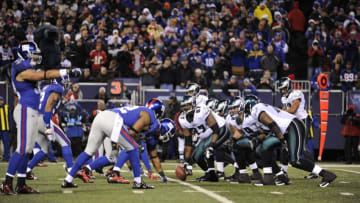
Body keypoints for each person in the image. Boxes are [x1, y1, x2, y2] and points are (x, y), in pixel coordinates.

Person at [1, 41, 81, 195]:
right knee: (23, 148)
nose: (37, 56)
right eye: (35, 53)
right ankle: (7, 183)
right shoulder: (20, 66)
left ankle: (21, 184)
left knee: (27, 149)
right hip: (26, 109)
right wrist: (65, 72)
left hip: (31, 111)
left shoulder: (27, 66)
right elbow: (39, 75)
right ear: (26, 53)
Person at [61, 101, 165, 189]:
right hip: (113, 120)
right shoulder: (150, 116)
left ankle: (68, 180)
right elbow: (132, 132)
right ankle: (138, 182)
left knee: (88, 152)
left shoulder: (141, 109)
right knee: (133, 147)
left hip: (101, 117)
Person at [243, 95, 337, 187]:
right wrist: (257, 140)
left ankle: (326, 174)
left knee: (295, 161)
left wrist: (282, 140)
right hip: (284, 130)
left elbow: (272, 124)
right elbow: (268, 129)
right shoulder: (260, 108)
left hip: (292, 126)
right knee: (264, 148)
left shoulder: (256, 109)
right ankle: (273, 177)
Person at [26, 80, 74, 180]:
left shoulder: (46, 88)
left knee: (45, 149)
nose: (67, 85)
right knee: (66, 142)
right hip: (44, 118)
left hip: (35, 119)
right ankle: (70, 170)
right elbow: (49, 105)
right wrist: (48, 125)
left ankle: (27, 170)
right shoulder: (56, 88)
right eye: (65, 82)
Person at [179, 95, 230, 182]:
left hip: (220, 129)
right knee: (195, 157)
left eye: (188, 104)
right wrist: (186, 162)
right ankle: (210, 174)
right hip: (206, 135)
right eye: (184, 105)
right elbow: (188, 142)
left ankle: (235, 166)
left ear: (194, 104)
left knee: (208, 150)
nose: (186, 107)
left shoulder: (201, 110)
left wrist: (211, 145)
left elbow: (215, 129)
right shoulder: (182, 119)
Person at [278, 77, 317, 179]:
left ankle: (315, 171)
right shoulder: (284, 98)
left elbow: (293, 110)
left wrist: (280, 112)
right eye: (281, 89)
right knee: (285, 145)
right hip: (293, 122)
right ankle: (284, 171)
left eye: (284, 88)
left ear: (289, 87)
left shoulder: (296, 93)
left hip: (302, 121)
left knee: (303, 148)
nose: (282, 91)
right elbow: (285, 110)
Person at [0, 96, 10, 162]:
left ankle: (7, 157)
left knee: (6, 143)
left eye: (1, 100)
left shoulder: (6, 107)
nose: (0, 101)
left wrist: (10, 127)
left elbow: (9, 118)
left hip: (5, 129)